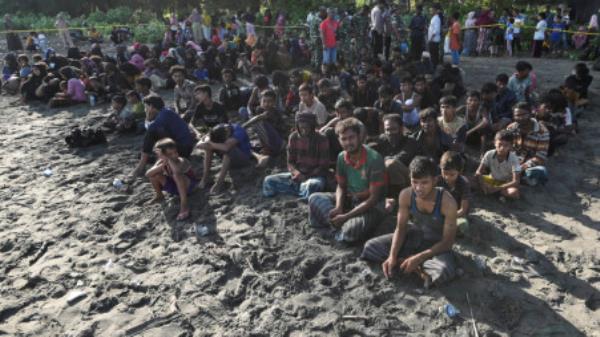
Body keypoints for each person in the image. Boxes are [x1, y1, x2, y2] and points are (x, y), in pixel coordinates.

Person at [361, 156, 458, 288]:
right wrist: (392, 256)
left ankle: (413, 264)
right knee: (370, 247)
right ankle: (411, 266)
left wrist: (418, 258)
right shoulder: (406, 195)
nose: (418, 188)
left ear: (435, 181)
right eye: (415, 182)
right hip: (414, 237)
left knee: (443, 271)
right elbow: (400, 229)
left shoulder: (447, 202)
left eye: (424, 183)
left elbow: (447, 243)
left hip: (437, 246)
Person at [308, 117, 385, 243]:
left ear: (359, 137)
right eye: (344, 139)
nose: (348, 142)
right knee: (314, 198)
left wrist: (346, 217)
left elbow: (374, 198)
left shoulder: (374, 159)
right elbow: (341, 186)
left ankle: (338, 229)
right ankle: (337, 228)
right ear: (339, 140)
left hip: (371, 206)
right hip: (350, 199)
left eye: (351, 137)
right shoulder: (341, 157)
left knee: (351, 232)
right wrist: (339, 207)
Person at [263, 113, 330, 199]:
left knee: (313, 186)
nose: (304, 130)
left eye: (307, 128)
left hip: (314, 176)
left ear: (312, 126)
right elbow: (290, 162)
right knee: (268, 181)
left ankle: (301, 191)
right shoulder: (293, 137)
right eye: (301, 128)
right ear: (297, 126)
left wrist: (306, 176)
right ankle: (301, 191)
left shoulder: (322, 139)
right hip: (297, 176)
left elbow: (323, 166)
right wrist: (296, 173)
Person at [132, 95, 195, 177]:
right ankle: (152, 160)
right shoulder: (164, 112)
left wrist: (147, 118)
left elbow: (150, 130)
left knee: (151, 133)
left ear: (151, 106)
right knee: (142, 154)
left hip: (184, 148)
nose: (145, 110)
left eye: (146, 107)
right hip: (180, 147)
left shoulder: (165, 114)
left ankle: (141, 166)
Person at [370, 114, 418, 212]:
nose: (390, 133)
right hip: (387, 179)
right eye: (387, 129)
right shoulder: (382, 139)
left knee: (391, 164)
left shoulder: (410, 141)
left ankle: (402, 200)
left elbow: (401, 158)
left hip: (410, 180)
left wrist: (383, 161)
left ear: (401, 128)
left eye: (393, 129)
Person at [146, 138, 197, 221]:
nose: (174, 155)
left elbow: (176, 171)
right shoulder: (162, 161)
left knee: (177, 175)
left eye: (175, 152)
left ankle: (184, 205)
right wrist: (161, 165)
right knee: (154, 175)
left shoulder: (181, 160)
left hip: (188, 187)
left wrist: (168, 159)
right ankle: (159, 195)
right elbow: (148, 174)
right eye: (169, 154)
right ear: (161, 155)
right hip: (176, 189)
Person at [196, 123, 253, 194]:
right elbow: (198, 145)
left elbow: (226, 147)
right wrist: (209, 143)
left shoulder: (238, 131)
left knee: (228, 152)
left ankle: (219, 183)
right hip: (229, 158)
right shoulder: (219, 128)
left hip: (244, 158)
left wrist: (209, 143)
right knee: (208, 149)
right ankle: (205, 177)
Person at [506, 102, 549, 186]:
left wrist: (519, 168)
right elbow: (506, 148)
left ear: (530, 113)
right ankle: (516, 179)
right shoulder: (511, 128)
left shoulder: (543, 131)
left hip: (527, 164)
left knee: (541, 171)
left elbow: (540, 157)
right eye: (517, 115)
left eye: (523, 114)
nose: (520, 118)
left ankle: (516, 178)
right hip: (512, 161)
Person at [243, 89, 286, 167]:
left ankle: (267, 150)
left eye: (269, 101)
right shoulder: (260, 109)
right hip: (270, 140)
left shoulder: (272, 112)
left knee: (257, 121)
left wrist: (243, 127)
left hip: (278, 143)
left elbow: (257, 119)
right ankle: (265, 149)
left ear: (274, 103)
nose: (266, 104)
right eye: (264, 101)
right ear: (260, 101)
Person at [475, 130, 521, 199]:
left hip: (505, 183)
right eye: (499, 144)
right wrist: (483, 184)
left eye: (506, 145)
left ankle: (493, 191)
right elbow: (478, 172)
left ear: (511, 146)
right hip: (491, 179)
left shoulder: (514, 159)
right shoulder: (489, 153)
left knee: (513, 193)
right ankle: (490, 191)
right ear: (494, 143)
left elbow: (516, 181)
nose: (502, 148)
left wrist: (497, 188)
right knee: (469, 180)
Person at [437, 151, 470, 235]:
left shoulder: (464, 183)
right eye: (445, 173)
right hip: (437, 211)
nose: (447, 177)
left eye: (452, 174)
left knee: (462, 225)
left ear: (459, 172)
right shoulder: (437, 179)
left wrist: (447, 217)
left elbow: (463, 209)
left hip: (456, 214)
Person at [458, 90, 490, 155]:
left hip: (477, 135)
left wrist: (469, 132)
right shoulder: (463, 108)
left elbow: (485, 121)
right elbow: (452, 114)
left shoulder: (481, 109)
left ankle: (482, 152)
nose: (472, 103)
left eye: (475, 100)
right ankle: (460, 150)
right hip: (466, 136)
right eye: (470, 100)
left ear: (479, 101)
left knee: (484, 130)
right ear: (466, 101)